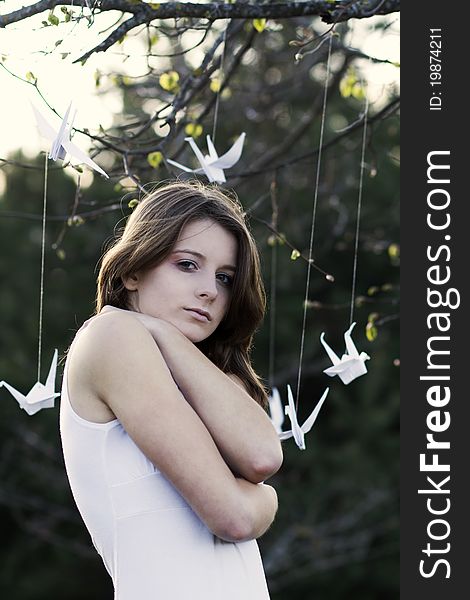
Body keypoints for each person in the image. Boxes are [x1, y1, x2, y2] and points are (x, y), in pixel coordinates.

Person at [59, 180, 283, 599]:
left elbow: (263, 455)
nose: (210, 291)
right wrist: (266, 502)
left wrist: (162, 332)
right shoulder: (111, 337)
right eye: (187, 264)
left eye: (225, 278)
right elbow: (233, 516)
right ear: (132, 271)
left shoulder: (207, 375)